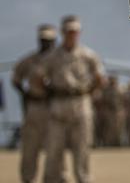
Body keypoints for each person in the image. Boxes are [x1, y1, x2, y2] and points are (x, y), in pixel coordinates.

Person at [39, 16, 104, 183]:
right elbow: (38, 78)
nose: (72, 35)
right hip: (58, 104)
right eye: (69, 31)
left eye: (75, 32)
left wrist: (89, 91)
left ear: (79, 33)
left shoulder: (88, 55)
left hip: (81, 103)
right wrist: (49, 92)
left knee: (82, 148)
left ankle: (83, 179)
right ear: (62, 32)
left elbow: (99, 78)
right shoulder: (52, 57)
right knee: (54, 149)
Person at [12, 24, 57, 183]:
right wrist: (26, 94)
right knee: (30, 147)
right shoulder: (29, 60)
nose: (46, 43)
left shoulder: (60, 60)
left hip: (54, 107)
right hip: (35, 107)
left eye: (49, 40)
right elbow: (16, 79)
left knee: (54, 149)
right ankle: (28, 179)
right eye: (44, 40)